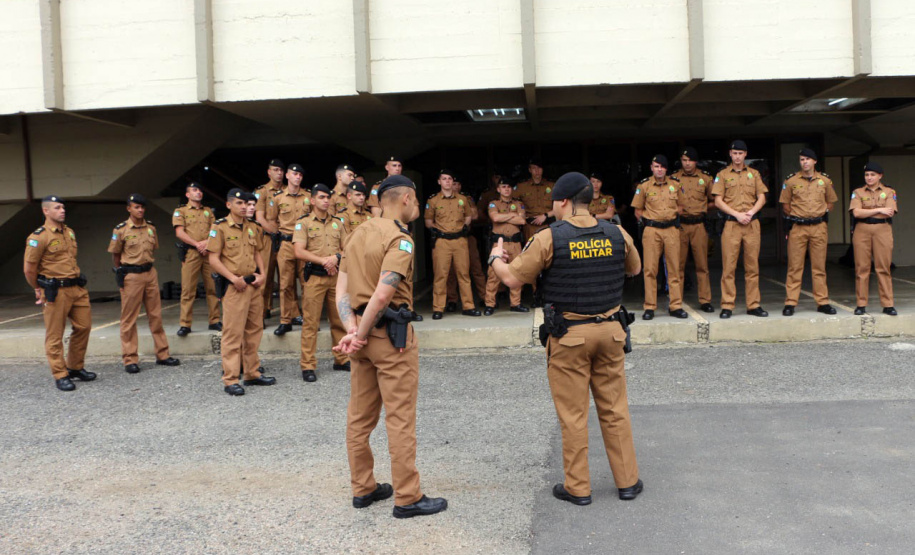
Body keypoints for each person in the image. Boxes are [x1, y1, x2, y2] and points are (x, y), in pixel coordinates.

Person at [488, 171, 643, 506]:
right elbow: (634, 269)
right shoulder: (617, 232)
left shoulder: (549, 237)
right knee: (615, 410)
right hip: (611, 332)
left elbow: (513, 280)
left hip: (570, 337)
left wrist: (495, 259)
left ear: (562, 202)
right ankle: (628, 482)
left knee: (574, 416)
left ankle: (578, 488)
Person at [333, 174, 448, 519]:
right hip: (389, 340)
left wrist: (351, 329)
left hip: (361, 339)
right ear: (407, 199)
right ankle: (408, 498)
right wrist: (363, 332)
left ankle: (363, 488)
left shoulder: (355, 234)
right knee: (399, 419)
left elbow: (342, 290)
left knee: (359, 417)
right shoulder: (401, 239)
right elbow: (383, 294)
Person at [208, 188, 276, 395]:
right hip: (234, 286)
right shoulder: (219, 228)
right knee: (232, 334)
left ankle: (252, 373)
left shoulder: (252, 227)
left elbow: (257, 252)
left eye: (246, 204)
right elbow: (213, 258)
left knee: (254, 331)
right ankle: (230, 379)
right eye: (239, 203)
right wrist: (232, 279)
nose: (244, 207)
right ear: (229, 205)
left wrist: (262, 274)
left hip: (253, 285)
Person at [23, 195, 94, 392]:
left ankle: (75, 367)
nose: (62, 210)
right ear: (46, 211)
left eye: (63, 207)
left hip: (76, 288)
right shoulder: (39, 237)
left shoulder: (69, 233)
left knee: (84, 327)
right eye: (57, 207)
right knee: (55, 334)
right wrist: (38, 288)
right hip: (56, 291)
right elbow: (29, 269)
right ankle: (60, 374)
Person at [108, 194, 180, 374]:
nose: (140, 210)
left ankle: (162, 354)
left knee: (155, 315)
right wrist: (121, 275)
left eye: (142, 207)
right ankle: (130, 359)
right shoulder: (121, 230)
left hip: (150, 273)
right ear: (129, 208)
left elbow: (153, 249)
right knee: (129, 319)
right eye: (136, 207)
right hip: (131, 275)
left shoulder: (151, 228)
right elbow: (116, 256)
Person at [293, 183, 351, 382]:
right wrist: (325, 261)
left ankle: (342, 359)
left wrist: (336, 257)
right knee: (311, 323)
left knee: (339, 320)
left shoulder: (338, 222)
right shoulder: (304, 223)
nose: (326, 201)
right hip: (315, 278)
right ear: (312, 200)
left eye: (328, 198)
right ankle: (308, 365)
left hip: (336, 278)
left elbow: (347, 248)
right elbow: (299, 251)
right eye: (321, 197)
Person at [712, 140, 769, 318]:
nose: (737, 157)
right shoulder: (722, 175)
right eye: (734, 153)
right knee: (728, 267)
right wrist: (736, 214)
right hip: (731, 224)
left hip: (751, 223)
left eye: (740, 153)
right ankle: (727, 305)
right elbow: (718, 200)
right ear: (730, 154)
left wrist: (751, 212)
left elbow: (762, 197)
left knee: (752, 267)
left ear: (745, 154)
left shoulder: (754, 174)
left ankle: (753, 305)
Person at [779, 148, 839, 316]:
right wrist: (801, 216)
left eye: (807, 159)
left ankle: (822, 302)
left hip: (819, 227)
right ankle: (790, 302)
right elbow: (786, 206)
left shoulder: (825, 181)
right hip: (798, 227)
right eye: (802, 159)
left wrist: (817, 214)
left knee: (819, 267)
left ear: (814, 161)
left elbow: (830, 203)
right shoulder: (791, 181)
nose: (804, 162)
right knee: (795, 266)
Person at [630, 155, 687, 320]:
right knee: (650, 270)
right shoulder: (644, 185)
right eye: (656, 166)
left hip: (671, 230)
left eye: (662, 166)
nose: (659, 169)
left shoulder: (676, 185)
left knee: (674, 269)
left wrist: (671, 216)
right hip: (652, 231)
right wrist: (648, 222)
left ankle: (676, 306)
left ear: (666, 169)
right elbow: (637, 210)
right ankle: (649, 307)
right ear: (651, 167)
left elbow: (681, 206)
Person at [425, 169, 480, 319]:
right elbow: (428, 222)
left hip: (460, 240)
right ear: (439, 182)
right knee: (441, 275)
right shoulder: (433, 200)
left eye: (450, 179)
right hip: (442, 241)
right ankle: (438, 308)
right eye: (444, 179)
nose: (448, 181)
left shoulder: (462, 199)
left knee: (463, 274)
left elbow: (469, 216)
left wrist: (464, 226)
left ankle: (468, 306)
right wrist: (439, 231)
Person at [266, 163, 310, 335]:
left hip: (304, 245)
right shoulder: (278, 197)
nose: (297, 177)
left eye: (300, 174)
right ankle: (286, 320)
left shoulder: (307, 196)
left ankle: (308, 318)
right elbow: (271, 221)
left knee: (306, 284)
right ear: (287, 176)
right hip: (285, 244)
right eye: (294, 174)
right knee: (285, 285)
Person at [849, 162, 898, 315]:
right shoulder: (857, 192)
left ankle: (888, 304)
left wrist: (867, 210)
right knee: (861, 268)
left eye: (872, 175)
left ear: (880, 176)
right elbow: (856, 213)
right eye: (866, 175)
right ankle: (861, 304)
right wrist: (878, 209)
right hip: (862, 230)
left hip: (882, 229)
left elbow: (889, 212)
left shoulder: (889, 192)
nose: (869, 178)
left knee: (883, 267)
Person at [173, 182, 221, 336]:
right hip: (192, 254)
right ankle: (185, 324)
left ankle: (214, 321)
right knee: (188, 290)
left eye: (200, 190)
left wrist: (207, 243)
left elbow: (215, 231)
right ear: (188, 194)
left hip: (208, 253)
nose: (198, 192)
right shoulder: (180, 211)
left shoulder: (208, 211)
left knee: (212, 288)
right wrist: (196, 244)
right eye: (194, 190)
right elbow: (179, 233)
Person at [671, 147, 715, 313]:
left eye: (690, 160)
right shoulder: (674, 178)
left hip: (698, 225)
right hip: (680, 225)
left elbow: (715, 200)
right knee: (678, 266)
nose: (687, 163)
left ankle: (705, 300)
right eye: (684, 160)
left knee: (702, 265)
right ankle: (677, 302)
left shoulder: (705, 178)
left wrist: (703, 208)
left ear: (695, 161)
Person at [483, 179, 528, 315]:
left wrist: (504, 216)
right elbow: (495, 218)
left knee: (517, 272)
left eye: (508, 186)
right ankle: (490, 304)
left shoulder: (519, 204)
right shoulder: (493, 204)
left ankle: (516, 303)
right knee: (493, 274)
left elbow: (522, 220)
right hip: (499, 243)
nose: (506, 189)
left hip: (515, 243)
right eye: (503, 187)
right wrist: (513, 215)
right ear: (498, 189)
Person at [445, 179, 487, 309]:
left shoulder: (466, 198)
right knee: (451, 271)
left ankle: (484, 297)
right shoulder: (441, 199)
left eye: (457, 184)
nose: (455, 186)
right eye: (453, 183)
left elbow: (474, 216)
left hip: (467, 237)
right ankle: (452, 300)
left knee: (476, 268)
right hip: (449, 239)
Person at [254, 159, 286, 318]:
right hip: (268, 238)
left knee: (286, 279)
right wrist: (274, 232)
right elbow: (259, 217)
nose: (278, 173)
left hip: (286, 240)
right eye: (275, 170)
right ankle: (262, 311)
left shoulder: (289, 190)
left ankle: (288, 314)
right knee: (265, 276)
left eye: (281, 170)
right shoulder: (262, 191)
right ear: (269, 172)